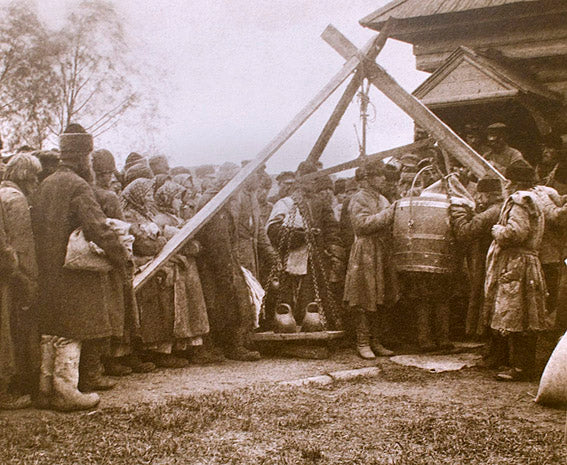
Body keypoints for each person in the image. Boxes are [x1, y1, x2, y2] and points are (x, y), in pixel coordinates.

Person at [32, 124, 130, 411]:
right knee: (72, 329)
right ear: (84, 156)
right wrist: (121, 255)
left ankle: (46, 390)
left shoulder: (46, 183)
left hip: (48, 268)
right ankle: (66, 392)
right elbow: (98, 227)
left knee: (52, 329)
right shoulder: (78, 185)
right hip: (73, 271)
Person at [483, 162, 553, 381]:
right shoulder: (534, 199)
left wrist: (497, 231)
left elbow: (517, 233)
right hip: (526, 262)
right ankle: (518, 364)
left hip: (517, 263)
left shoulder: (519, 201)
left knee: (518, 315)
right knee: (524, 315)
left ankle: (521, 368)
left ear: (511, 182)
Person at [343, 160, 397, 359]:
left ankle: (376, 341)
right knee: (365, 297)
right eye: (379, 176)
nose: (383, 179)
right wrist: (389, 213)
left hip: (382, 251)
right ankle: (363, 342)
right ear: (369, 179)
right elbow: (362, 225)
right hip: (365, 251)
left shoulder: (382, 199)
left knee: (380, 297)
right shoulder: (359, 198)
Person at [0, 154, 41, 409]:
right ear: (26, 176)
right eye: (35, 176)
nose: (37, 181)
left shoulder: (3, 193)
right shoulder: (16, 199)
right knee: (9, 333)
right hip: (10, 275)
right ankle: (7, 390)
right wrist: (27, 277)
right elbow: (21, 245)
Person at [450, 177, 505, 365]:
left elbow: (465, 232)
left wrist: (458, 214)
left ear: (486, 195)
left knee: (488, 304)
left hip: (488, 263)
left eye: (480, 196)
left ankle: (495, 354)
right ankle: (493, 351)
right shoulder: (500, 207)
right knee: (492, 304)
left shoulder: (491, 212)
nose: (478, 199)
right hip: (495, 262)